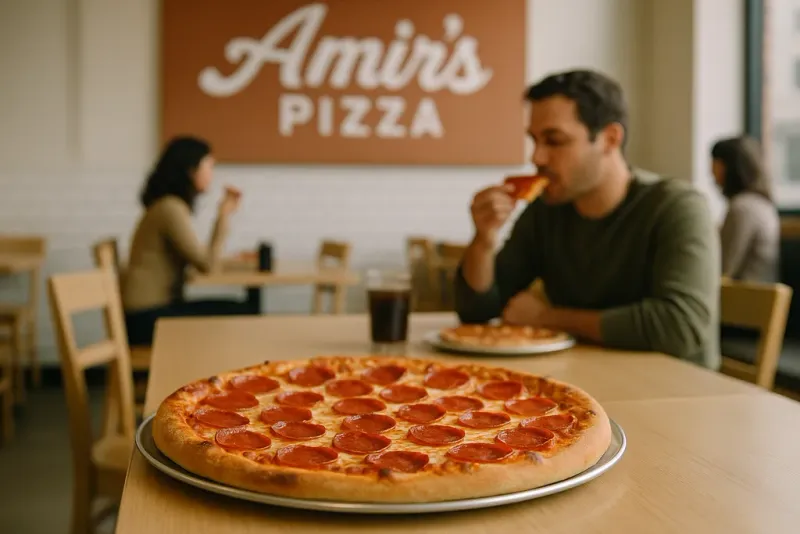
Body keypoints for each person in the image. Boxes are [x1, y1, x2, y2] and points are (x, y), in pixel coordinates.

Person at [454, 69, 720, 370]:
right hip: (588, 382)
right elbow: (478, 310)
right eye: (534, 140)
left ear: (609, 139)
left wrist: (547, 318)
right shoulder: (546, 210)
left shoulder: (677, 207)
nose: (537, 158)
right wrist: (484, 240)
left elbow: (680, 327)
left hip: (680, 394)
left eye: (554, 141)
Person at [122, 136, 248, 346]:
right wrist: (223, 215)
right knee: (241, 312)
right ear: (191, 170)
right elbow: (208, 265)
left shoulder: (165, 205)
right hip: (146, 318)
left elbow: (195, 260)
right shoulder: (170, 208)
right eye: (208, 167)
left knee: (237, 309)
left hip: (147, 314)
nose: (211, 175)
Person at [711, 136, 779, 283]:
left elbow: (723, 269)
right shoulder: (762, 204)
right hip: (760, 297)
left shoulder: (742, 208)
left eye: (715, 163)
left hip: (746, 300)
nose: (711, 171)